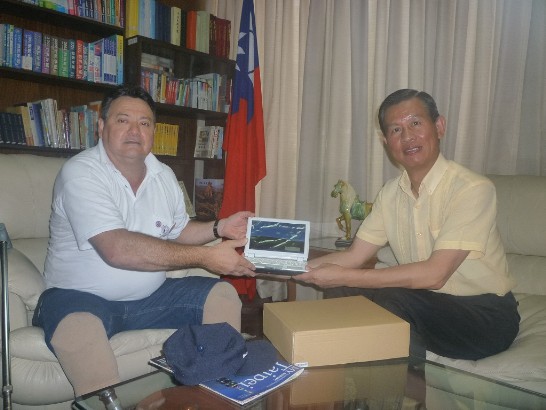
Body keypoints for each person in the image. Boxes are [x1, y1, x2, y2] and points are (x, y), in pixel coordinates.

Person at [32, 85, 256, 397]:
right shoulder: (81, 173)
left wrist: (220, 227)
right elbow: (117, 248)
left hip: (152, 297)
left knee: (221, 294)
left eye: (144, 123)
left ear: (153, 131)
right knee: (79, 329)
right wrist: (206, 257)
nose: (135, 131)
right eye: (123, 120)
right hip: (78, 297)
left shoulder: (163, 175)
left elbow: (178, 230)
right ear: (101, 126)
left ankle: (214, 393)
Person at [296, 89, 520, 361]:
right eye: (396, 130)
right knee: (344, 290)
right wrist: (283, 266)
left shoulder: (472, 189)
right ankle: (341, 377)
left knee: (393, 299)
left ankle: (404, 387)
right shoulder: (390, 193)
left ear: (439, 126)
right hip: (425, 302)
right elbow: (354, 256)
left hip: (485, 315)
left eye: (415, 123)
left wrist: (343, 275)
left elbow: (434, 275)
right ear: (386, 141)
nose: (407, 136)